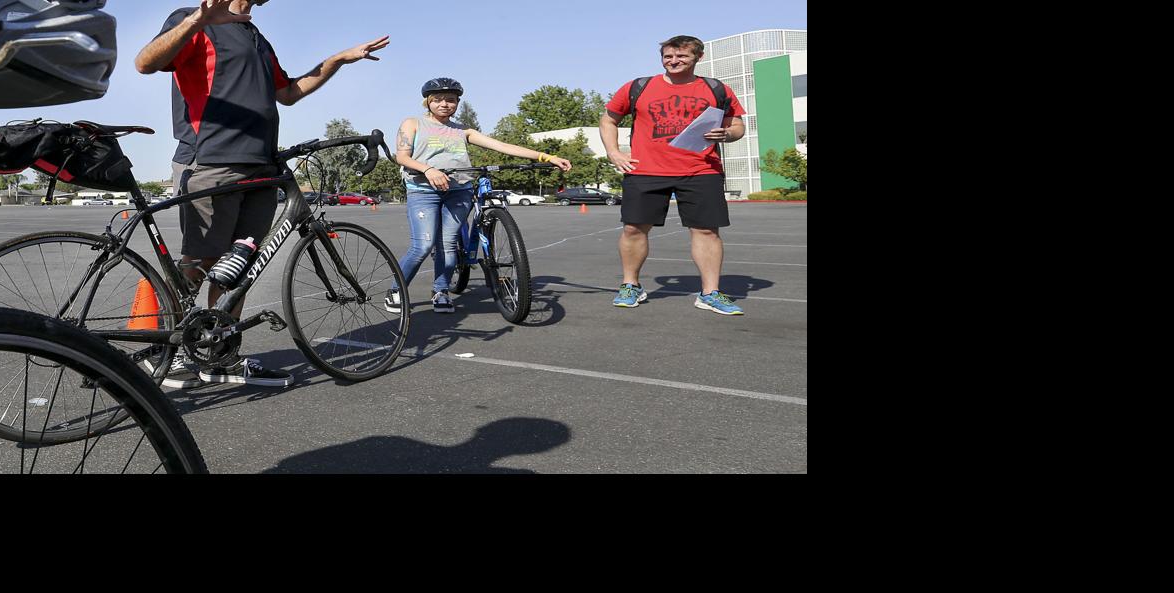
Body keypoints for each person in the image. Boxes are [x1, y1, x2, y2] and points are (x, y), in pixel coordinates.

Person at [136, 0, 389, 386]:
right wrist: (199, 18)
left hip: (261, 164)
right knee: (201, 259)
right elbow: (146, 63)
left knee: (241, 265)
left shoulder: (254, 35)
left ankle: (220, 355)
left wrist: (336, 60)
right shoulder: (195, 19)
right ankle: (163, 351)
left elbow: (286, 92)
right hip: (212, 160)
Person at [388, 78, 570, 314]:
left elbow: (502, 146)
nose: (445, 104)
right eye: (438, 100)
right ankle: (395, 291)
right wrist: (428, 169)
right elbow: (401, 156)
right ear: (428, 102)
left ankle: (441, 290)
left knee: (448, 245)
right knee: (423, 245)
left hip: (459, 191)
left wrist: (546, 157)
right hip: (423, 191)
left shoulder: (463, 130)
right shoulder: (412, 124)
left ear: (457, 103)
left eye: (451, 100)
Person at [600, 34, 748, 315]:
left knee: (706, 230)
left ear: (697, 58)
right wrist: (614, 152)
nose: (673, 61)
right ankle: (631, 285)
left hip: (701, 170)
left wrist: (727, 134)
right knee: (633, 228)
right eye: (668, 56)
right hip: (645, 169)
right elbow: (608, 119)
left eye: (681, 56)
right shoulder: (639, 87)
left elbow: (737, 126)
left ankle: (710, 293)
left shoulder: (716, 88)